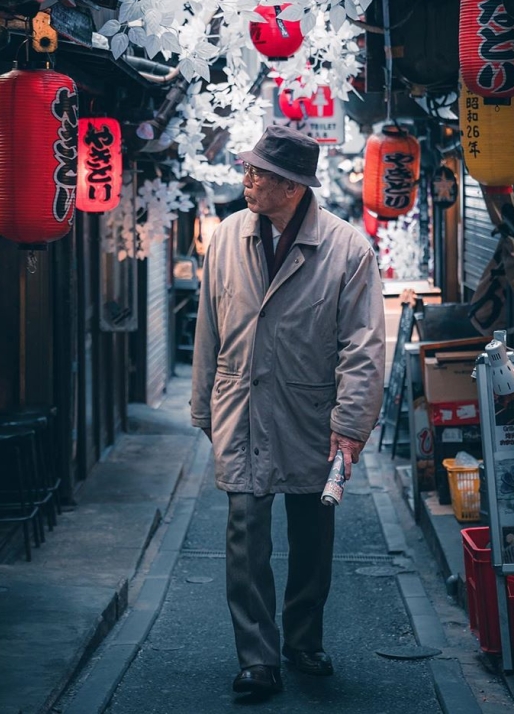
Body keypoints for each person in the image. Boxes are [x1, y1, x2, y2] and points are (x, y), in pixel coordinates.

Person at [191, 124, 386, 698]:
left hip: (312, 415)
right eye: (249, 169)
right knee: (245, 532)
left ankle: (303, 639)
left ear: (293, 187)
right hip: (242, 406)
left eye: (258, 173)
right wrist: (204, 407)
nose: (247, 179)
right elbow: (208, 327)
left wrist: (351, 425)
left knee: (312, 535)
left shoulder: (347, 249)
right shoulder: (227, 237)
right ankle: (258, 658)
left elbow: (364, 346)